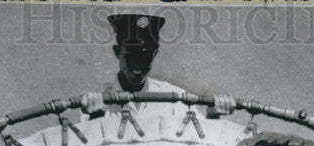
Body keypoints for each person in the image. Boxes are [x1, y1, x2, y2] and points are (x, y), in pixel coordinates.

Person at [79, 13, 234, 123]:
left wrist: (215, 117)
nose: (139, 62)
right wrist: (96, 118)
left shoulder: (176, 99)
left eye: (145, 55)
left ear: (155, 53)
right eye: (132, 54)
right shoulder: (98, 102)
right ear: (117, 52)